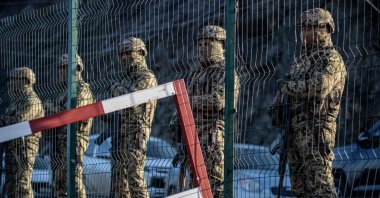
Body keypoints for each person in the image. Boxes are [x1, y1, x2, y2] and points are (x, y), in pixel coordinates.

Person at [268, 8, 347, 197]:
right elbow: (279, 98)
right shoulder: (300, 62)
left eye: (310, 27)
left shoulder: (331, 58)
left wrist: (286, 87)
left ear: (326, 28)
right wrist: (277, 108)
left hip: (316, 131)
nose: (304, 32)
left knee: (321, 188)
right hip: (294, 132)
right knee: (300, 190)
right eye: (302, 28)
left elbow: (320, 86)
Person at [171, 25, 239, 197]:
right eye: (200, 44)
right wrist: (176, 121)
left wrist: (186, 103)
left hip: (211, 136)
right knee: (195, 186)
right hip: (191, 135)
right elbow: (184, 99)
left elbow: (218, 101)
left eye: (208, 44)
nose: (202, 48)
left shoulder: (226, 71)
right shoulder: (196, 73)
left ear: (221, 44)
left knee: (214, 183)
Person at [107, 37, 157, 198]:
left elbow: (131, 100)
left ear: (141, 53)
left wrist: (115, 88)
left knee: (135, 180)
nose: (124, 57)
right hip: (120, 135)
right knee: (119, 185)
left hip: (135, 134)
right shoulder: (126, 79)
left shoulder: (146, 77)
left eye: (128, 53)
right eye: (121, 54)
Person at [45, 54, 94, 197]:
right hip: (60, 142)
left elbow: (72, 113)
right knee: (59, 183)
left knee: (73, 181)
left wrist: (52, 110)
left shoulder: (82, 89)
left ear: (77, 68)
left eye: (65, 67)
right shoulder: (65, 92)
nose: (62, 71)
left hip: (74, 140)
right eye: (60, 67)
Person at [0, 67, 44, 197]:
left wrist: (3, 119)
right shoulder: (16, 102)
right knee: (11, 186)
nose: (11, 83)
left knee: (22, 185)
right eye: (11, 79)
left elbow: (18, 120)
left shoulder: (32, 101)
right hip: (12, 147)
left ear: (26, 81)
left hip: (24, 148)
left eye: (15, 79)